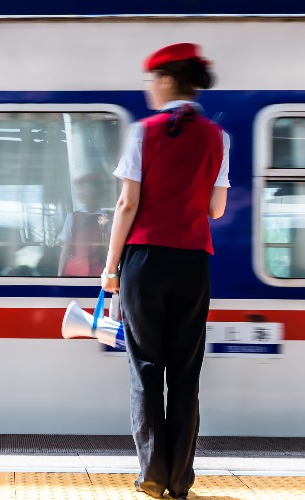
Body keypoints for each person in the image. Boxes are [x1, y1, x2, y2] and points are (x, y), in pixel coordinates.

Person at [101, 43, 230, 499]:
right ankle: (181, 480)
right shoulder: (218, 137)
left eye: (151, 81)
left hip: (144, 261)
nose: (149, 90)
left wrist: (110, 267)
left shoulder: (143, 132)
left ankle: (152, 476)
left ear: (167, 80)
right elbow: (216, 209)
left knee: (146, 368)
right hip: (194, 261)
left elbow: (126, 203)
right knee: (185, 372)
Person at [57, 172, 112, 276]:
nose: (82, 192)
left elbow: (110, 249)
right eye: (80, 189)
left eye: (86, 188)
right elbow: (66, 248)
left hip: (100, 274)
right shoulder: (72, 218)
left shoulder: (108, 219)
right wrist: (60, 275)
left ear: (97, 191)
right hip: (74, 275)